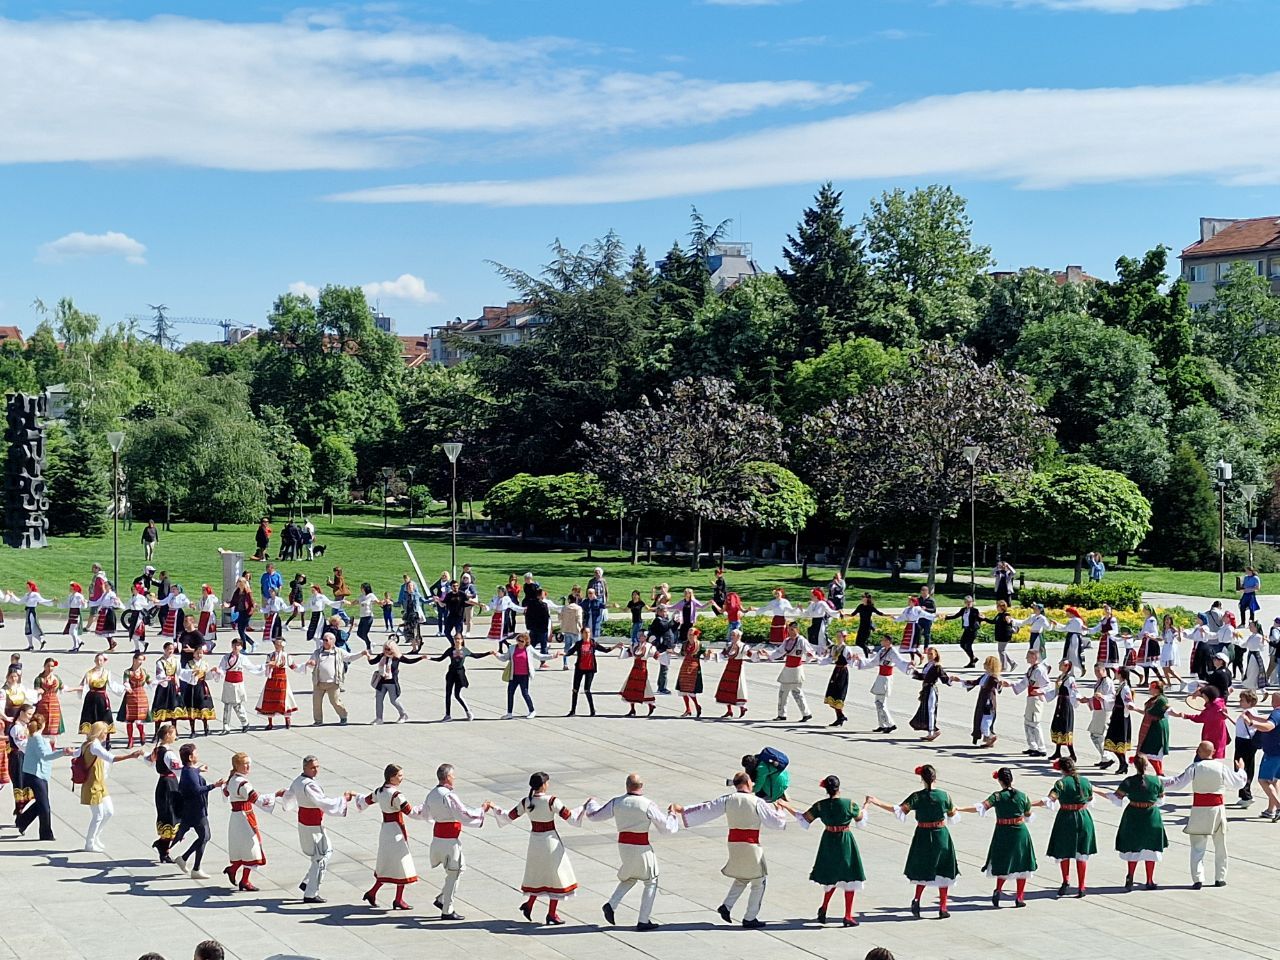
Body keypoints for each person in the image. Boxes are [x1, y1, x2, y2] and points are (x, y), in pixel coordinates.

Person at [670, 770, 790, 929]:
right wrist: (780, 810)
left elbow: (707, 808)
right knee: (759, 880)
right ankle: (750, 917)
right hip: (751, 844)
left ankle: (726, 906)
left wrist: (683, 810)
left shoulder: (727, 800)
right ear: (748, 783)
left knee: (743, 876)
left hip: (733, 843)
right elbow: (775, 822)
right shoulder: (757, 802)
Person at [584, 772, 680, 931]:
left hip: (624, 846)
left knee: (631, 875)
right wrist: (672, 814)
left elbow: (595, 815)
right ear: (641, 786)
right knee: (651, 880)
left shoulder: (617, 802)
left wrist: (591, 803)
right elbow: (666, 828)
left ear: (627, 786)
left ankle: (611, 905)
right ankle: (643, 920)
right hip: (641, 847)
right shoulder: (647, 804)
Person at [865, 764, 959, 919]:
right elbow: (952, 813)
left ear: (921, 779)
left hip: (922, 834)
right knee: (943, 869)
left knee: (923, 866)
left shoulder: (917, 796)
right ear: (935, 777)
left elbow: (898, 810)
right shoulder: (944, 795)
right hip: (941, 835)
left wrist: (877, 802)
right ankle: (943, 907)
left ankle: (917, 899)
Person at [1160, 741, 1248, 888]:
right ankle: (1220, 878)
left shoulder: (1195, 768)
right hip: (1217, 810)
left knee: (1197, 847)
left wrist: (1158, 780)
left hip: (1199, 810)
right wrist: (1241, 770)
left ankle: (1198, 879)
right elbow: (1238, 783)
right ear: (1213, 752)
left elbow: (1177, 783)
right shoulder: (1221, 768)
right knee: (1220, 846)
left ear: (1199, 752)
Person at [504, 771, 584, 925]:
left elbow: (510, 816)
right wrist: (584, 807)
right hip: (550, 840)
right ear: (543, 785)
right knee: (555, 876)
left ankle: (529, 905)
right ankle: (551, 914)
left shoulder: (526, 802)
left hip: (535, 841)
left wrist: (494, 808)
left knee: (538, 874)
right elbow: (570, 816)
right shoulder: (551, 801)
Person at [275, 754, 352, 903]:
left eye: (317, 767)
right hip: (312, 824)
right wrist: (343, 800)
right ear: (305, 768)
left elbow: (289, 797)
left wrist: (286, 800)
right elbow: (322, 801)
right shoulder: (309, 785)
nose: (316, 770)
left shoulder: (298, 781)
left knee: (327, 850)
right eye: (312, 768)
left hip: (306, 822)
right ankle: (310, 893)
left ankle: (307, 881)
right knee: (320, 856)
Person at [955, 767, 1036, 909]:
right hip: (1020, 832)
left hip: (1003, 832)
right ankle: (1019, 897)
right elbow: (1028, 814)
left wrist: (960, 809)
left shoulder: (997, 796)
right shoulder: (1023, 795)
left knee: (1004, 861)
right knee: (1022, 863)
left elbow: (980, 807)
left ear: (999, 780)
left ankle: (998, 890)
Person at [423, 763, 491, 920]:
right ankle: (447, 909)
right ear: (447, 777)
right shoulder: (449, 796)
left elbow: (424, 813)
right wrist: (481, 810)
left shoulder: (432, 794)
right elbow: (463, 814)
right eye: (453, 776)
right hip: (449, 842)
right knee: (454, 872)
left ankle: (442, 899)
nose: (454, 778)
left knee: (458, 870)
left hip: (438, 839)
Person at [796, 773, 866, 926]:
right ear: (838, 787)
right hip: (845, 839)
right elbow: (860, 819)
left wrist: (788, 808)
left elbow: (805, 819)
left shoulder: (821, 805)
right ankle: (847, 915)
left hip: (828, 839)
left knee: (831, 876)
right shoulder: (849, 804)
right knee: (849, 876)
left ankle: (824, 907)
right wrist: (866, 807)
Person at [358, 764, 426, 910]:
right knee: (402, 864)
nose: (402, 778)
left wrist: (354, 796)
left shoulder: (380, 791)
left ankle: (374, 892)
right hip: (396, 831)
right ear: (392, 777)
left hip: (385, 831)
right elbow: (411, 812)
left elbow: (364, 802)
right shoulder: (397, 795)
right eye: (400, 776)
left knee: (388, 864)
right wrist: (426, 809)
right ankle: (397, 899)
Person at [1105, 754, 1168, 890]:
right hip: (1151, 815)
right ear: (1147, 765)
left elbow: (1117, 798)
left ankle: (1130, 876)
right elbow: (1161, 800)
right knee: (1151, 847)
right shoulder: (1157, 781)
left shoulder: (1128, 781)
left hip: (1133, 814)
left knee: (1133, 847)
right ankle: (1149, 880)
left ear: (1135, 765)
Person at [78, 721, 142, 853]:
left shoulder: (88, 744)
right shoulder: (94, 746)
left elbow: (75, 754)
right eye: (105, 732)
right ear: (99, 733)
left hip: (101, 784)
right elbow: (111, 758)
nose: (106, 735)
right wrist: (130, 755)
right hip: (92, 785)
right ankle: (89, 844)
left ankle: (96, 837)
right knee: (98, 815)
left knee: (109, 812)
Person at [222, 751, 276, 891]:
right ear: (237, 765)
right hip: (245, 817)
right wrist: (276, 795)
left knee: (242, 847)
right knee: (252, 848)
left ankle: (233, 869)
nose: (248, 766)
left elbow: (226, 792)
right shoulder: (243, 784)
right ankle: (244, 880)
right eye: (245, 764)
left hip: (235, 817)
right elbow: (257, 800)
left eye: (248, 764)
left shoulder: (232, 779)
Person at [1044, 756, 1096, 897]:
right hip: (1083, 817)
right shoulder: (1085, 781)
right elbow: (1090, 798)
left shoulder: (1061, 783)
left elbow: (1051, 798)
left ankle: (1066, 881)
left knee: (1064, 851)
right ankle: (1081, 886)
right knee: (1082, 852)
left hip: (1066, 818)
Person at [15, 713, 72, 841]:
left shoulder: (35, 737)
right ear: (43, 725)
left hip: (37, 774)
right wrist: (63, 752)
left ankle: (22, 821)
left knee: (41, 803)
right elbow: (45, 756)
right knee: (45, 806)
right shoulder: (36, 739)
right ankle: (46, 833)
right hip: (36, 775)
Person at [172, 742, 225, 879]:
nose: (198, 755)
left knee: (205, 836)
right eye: (196, 753)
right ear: (190, 757)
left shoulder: (188, 770)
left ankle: (184, 859)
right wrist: (215, 785)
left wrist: (198, 770)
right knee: (205, 836)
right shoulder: (189, 773)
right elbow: (197, 790)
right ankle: (195, 868)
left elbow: (192, 774)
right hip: (196, 811)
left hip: (193, 809)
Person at [305, 633, 366, 726]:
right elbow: (311, 663)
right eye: (323, 640)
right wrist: (311, 663)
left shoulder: (339, 652)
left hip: (333, 683)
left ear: (333, 641)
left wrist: (361, 654)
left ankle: (343, 716)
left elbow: (350, 657)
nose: (324, 642)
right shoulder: (317, 652)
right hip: (318, 682)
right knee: (316, 703)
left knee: (335, 702)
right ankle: (318, 720)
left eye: (326, 640)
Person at [857, 634, 911, 734]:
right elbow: (873, 662)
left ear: (888, 642)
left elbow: (900, 661)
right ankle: (882, 724)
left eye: (883, 640)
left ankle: (891, 724)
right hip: (880, 677)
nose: (881, 641)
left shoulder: (892, 652)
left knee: (881, 703)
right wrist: (860, 660)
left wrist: (908, 664)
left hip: (886, 678)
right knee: (878, 702)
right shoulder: (882, 651)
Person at [497, 632, 556, 719]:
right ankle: (509, 713)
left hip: (524, 676)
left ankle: (532, 711)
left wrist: (553, 656)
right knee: (510, 693)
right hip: (514, 675)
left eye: (521, 641)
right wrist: (496, 655)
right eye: (518, 640)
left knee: (525, 693)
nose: (519, 642)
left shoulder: (529, 649)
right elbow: (504, 658)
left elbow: (540, 656)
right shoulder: (512, 648)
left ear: (526, 642)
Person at [213, 638, 264, 735]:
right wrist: (218, 671)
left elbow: (251, 667)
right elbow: (222, 668)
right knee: (227, 705)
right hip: (228, 683)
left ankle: (245, 722)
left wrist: (263, 667)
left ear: (241, 647)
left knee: (237, 705)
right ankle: (226, 726)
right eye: (234, 645)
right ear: (231, 646)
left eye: (238, 645)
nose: (236, 647)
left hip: (238, 684)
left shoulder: (242, 658)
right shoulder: (226, 657)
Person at [1243, 691, 1280, 820]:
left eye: (1273, 700)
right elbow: (1269, 719)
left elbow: (1269, 726)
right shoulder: (1276, 714)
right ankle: (1271, 810)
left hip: (1273, 752)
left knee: (1263, 780)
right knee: (1273, 780)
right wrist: (1255, 718)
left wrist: (1251, 723)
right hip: (1278, 753)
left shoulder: (1277, 712)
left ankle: (1278, 806)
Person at [149, 722, 183, 863]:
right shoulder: (168, 754)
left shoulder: (157, 750)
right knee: (171, 815)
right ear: (168, 735)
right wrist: (195, 771)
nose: (176, 736)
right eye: (174, 733)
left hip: (163, 784)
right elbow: (178, 769)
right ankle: (163, 848)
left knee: (168, 814)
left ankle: (163, 847)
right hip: (170, 786)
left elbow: (149, 760)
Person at [768, 622, 814, 722]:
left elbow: (809, 651)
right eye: (788, 629)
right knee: (782, 693)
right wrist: (769, 656)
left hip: (796, 668)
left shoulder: (801, 640)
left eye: (792, 630)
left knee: (797, 692)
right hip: (787, 668)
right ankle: (781, 714)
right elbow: (779, 651)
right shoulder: (787, 640)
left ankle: (806, 713)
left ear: (797, 630)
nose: (790, 631)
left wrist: (809, 656)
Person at [565, 628, 615, 717]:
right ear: (582, 634)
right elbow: (570, 652)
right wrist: (563, 654)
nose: (587, 634)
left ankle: (592, 710)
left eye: (588, 632)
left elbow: (605, 650)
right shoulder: (579, 644)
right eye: (585, 633)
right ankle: (573, 711)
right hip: (579, 669)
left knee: (587, 690)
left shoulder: (593, 643)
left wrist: (616, 646)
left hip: (590, 669)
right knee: (575, 690)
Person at [1171, 684, 1230, 759]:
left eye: (1203, 696)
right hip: (1219, 732)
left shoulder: (1213, 708)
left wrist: (1186, 716)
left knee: (1207, 754)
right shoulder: (1219, 703)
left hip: (1213, 734)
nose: (1203, 698)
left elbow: (1200, 718)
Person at [1010, 648, 1051, 757]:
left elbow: (1047, 685)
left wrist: (1040, 690)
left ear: (1034, 657)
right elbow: (1024, 682)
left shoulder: (1040, 670)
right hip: (1030, 698)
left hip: (1036, 699)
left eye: (1028, 656)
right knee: (1028, 722)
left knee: (1035, 723)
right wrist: (1011, 684)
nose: (1026, 658)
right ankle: (1032, 746)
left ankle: (1041, 748)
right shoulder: (1031, 669)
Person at [256, 636, 299, 729]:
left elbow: (293, 666)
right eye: (276, 644)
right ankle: (270, 722)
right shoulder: (270, 655)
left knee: (285, 698)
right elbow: (266, 666)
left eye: (279, 644)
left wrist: (304, 666)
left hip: (282, 679)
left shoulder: (287, 656)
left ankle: (287, 719)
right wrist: (269, 665)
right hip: (272, 678)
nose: (277, 646)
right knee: (270, 698)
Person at [908, 647, 951, 741]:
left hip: (931, 689)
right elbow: (922, 677)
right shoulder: (927, 665)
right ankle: (931, 731)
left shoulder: (937, 666)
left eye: (931, 654)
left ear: (936, 655)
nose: (929, 656)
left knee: (931, 710)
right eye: (928, 654)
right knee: (925, 710)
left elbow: (944, 678)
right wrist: (913, 670)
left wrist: (951, 680)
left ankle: (932, 731)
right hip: (925, 689)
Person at [1133, 680, 1171, 775]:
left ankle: (1159, 772)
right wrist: (1135, 709)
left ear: (1156, 689)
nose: (1149, 689)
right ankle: (1159, 772)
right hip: (1151, 726)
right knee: (1151, 752)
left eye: (1151, 687)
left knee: (1150, 751)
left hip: (1156, 727)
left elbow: (1153, 712)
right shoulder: (1155, 699)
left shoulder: (1161, 700)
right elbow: (1147, 712)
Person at [965, 656, 1002, 747]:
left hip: (988, 702)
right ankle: (988, 738)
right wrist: (961, 681)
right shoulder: (985, 675)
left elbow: (998, 686)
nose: (984, 664)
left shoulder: (993, 677)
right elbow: (975, 682)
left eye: (986, 663)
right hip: (982, 700)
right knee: (981, 720)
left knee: (985, 722)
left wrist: (1000, 685)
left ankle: (990, 736)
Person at [1233, 690, 1262, 805]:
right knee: (1248, 767)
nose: (1240, 702)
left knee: (1241, 768)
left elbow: (1250, 724)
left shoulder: (1248, 713)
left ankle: (1246, 795)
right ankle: (1245, 794)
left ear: (1249, 702)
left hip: (1244, 742)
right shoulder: (1252, 711)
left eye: (1242, 700)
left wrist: (1246, 718)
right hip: (1246, 741)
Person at [1047, 659, 1078, 764]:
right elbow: (1056, 691)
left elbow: (1074, 692)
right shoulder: (1061, 677)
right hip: (1060, 703)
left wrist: (1078, 700)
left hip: (1066, 704)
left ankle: (1072, 754)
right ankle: (1057, 751)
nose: (1060, 665)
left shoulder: (1070, 679)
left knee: (1065, 728)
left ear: (1066, 666)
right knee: (1058, 726)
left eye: (1062, 664)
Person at [620, 631, 658, 718]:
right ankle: (632, 709)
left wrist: (665, 652)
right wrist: (622, 648)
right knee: (631, 687)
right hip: (635, 668)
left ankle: (650, 705)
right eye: (640, 635)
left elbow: (655, 655)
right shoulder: (635, 645)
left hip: (643, 668)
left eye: (643, 636)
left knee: (644, 687)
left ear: (646, 637)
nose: (641, 637)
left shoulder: (649, 646)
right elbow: (628, 653)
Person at [1104, 669, 1135, 773]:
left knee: (1117, 741)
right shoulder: (1121, 686)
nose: (1115, 674)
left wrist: (1130, 705)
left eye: (1117, 673)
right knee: (1114, 742)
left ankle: (1123, 764)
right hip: (1117, 714)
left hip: (1121, 716)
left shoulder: (1125, 688)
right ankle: (1123, 763)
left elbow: (1128, 701)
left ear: (1120, 674)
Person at [715, 628, 751, 719]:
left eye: (733, 635)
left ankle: (742, 708)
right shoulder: (729, 646)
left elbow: (751, 655)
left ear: (739, 636)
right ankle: (729, 710)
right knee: (726, 687)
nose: (731, 637)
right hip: (729, 667)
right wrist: (712, 654)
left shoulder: (743, 646)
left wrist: (758, 654)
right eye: (731, 635)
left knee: (738, 688)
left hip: (738, 668)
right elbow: (722, 655)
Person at [823, 631, 853, 727]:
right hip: (836, 670)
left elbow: (850, 661)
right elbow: (830, 659)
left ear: (844, 637)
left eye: (840, 636)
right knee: (832, 694)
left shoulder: (846, 648)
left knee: (839, 694)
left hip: (842, 672)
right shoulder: (835, 648)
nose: (838, 638)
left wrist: (856, 660)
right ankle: (840, 716)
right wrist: (819, 659)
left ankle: (840, 717)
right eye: (837, 636)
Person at [944, 596, 982, 668]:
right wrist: (946, 617)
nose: (968, 604)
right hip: (966, 630)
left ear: (972, 602)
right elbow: (955, 616)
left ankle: (972, 662)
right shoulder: (963, 610)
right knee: (962, 644)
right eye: (966, 602)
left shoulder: (975, 610)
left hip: (972, 630)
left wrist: (983, 618)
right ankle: (973, 658)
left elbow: (979, 618)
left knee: (968, 645)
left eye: (969, 602)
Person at [985, 600, 1017, 673]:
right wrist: (984, 618)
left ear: (1002, 607)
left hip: (1005, 635)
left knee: (1001, 650)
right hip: (1000, 635)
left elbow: (1009, 622)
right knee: (1002, 650)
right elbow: (993, 622)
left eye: (998, 606)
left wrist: (1009, 621)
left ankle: (1004, 667)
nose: (997, 608)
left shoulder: (1006, 614)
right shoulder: (999, 614)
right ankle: (1012, 663)